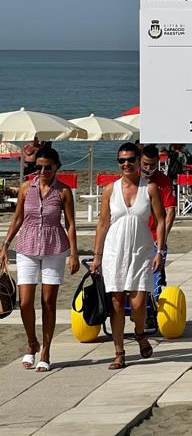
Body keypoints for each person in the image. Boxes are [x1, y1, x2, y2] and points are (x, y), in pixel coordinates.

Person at [0, 147, 78, 372]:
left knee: (48, 302)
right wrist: (5, 245)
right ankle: (32, 342)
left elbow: (71, 224)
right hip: (27, 245)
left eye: (47, 167)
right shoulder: (26, 187)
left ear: (56, 167)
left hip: (55, 247)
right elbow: (17, 219)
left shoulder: (63, 191)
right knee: (24, 302)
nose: (42, 171)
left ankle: (45, 350)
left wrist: (73, 253)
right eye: (38, 166)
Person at [89, 143, 166, 370]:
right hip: (115, 251)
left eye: (130, 159)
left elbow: (160, 220)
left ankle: (140, 333)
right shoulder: (110, 190)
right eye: (121, 160)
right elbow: (102, 223)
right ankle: (119, 352)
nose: (126, 164)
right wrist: (97, 256)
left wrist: (159, 250)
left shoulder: (149, 188)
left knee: (139, 302)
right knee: (116, 302)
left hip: (142, 251)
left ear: (138, 160)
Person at [140, 145, 176, 289]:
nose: (148, 168)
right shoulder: (132, 178)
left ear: (158, 162)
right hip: (135, 236)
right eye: (145, 164)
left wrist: (161, 240)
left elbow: (170, 212)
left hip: (154, 237)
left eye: (152, 164)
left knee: (155, 281)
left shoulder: (164, 181)